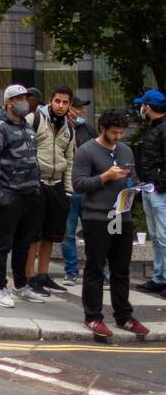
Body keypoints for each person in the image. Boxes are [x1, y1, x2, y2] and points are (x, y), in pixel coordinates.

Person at [72, 109, 149, 339]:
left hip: (121, 216)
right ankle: (93, 316)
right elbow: (78, 184)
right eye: (114, 133)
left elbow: (131, 177)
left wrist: (136, 186)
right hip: (97, 217)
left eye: (121, 133)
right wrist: (105, 177)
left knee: (121, 269)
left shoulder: (125, 150)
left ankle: (124, 315)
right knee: (95, 267)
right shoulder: (87, 151)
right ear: (102, 129)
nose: (117, 137)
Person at [0, 85, 45, 308]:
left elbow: (33, 159)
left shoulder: (27, 126)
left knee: (24, 243)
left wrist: (36, 186)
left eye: (25, 98)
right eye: (19, 98)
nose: (24, 102)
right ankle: (0, 288)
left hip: (30, 193)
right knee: (3, 243)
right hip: (9, 194)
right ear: (8, 102)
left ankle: (21, 285)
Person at [24, 86, 75, 296]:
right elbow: (23, 151)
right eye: (57, 101)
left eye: (65, 102)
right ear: (51, 101)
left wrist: (69, 190)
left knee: (51, 235)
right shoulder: (34, 120)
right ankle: (30, 277)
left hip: (57, 186)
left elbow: (70, 159)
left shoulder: (69, 128)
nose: (61, 106)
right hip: (37, 183)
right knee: (34, 235)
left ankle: (43, 275)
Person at [133, 88, 166, 294]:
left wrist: (158, 184)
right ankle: (159, 277)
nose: (141, 107)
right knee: (156, 236)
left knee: (163, 236)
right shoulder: (155, 127)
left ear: (149, 106)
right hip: (151, 187)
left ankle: (161, 277)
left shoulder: (161, 129)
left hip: (158, 189)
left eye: (143, 104)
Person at [60, 96, 94, 285]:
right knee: (68, 233)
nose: (81, 112)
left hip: (88, 187)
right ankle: (71, 271)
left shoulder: (88, 129)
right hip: (69, 187)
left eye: (82, 108)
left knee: (93, 231)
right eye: (78, 108)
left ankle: (98, 271)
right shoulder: (60, 127)